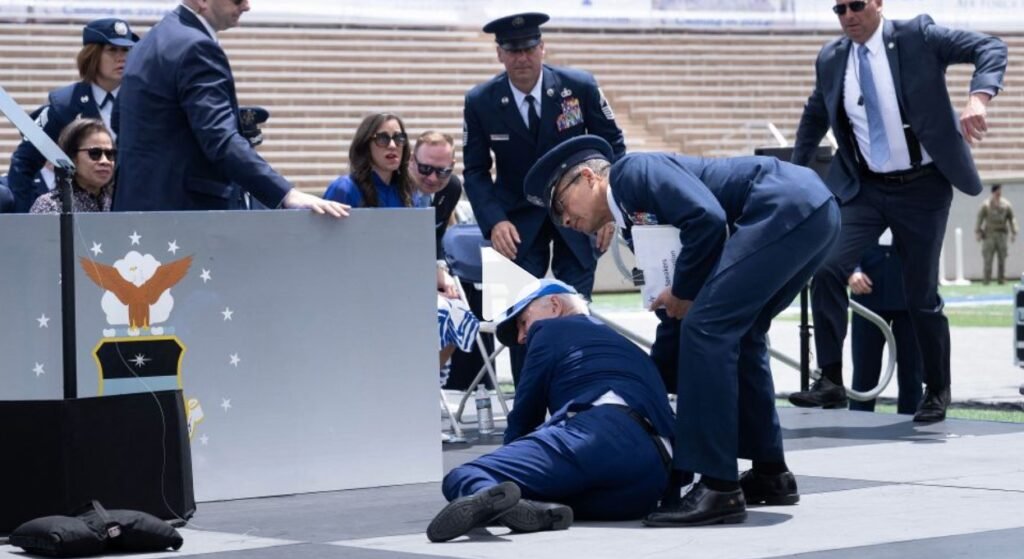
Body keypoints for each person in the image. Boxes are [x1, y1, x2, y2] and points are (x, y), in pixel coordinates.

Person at [523, 135, 840, 526]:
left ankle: (718, 488)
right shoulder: (633, 222)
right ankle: (770, 472)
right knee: (741, 332)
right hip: (809, 209)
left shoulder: (632, 174)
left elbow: (705, 220)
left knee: (708, 330)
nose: (564, 221)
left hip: (783, 205)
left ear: (588, 178)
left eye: (559, 205)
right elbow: (674, 306)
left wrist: (685, 294)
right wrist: (654, 379)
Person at [787, 0, 1007, 423]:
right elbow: (816, 112)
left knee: (919, 295)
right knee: (829, 268)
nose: (848, 16)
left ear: (878, 4)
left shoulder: (918, 36)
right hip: (866, 188)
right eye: (839, 9)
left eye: (856, 6)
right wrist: (795, 174)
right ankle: (830, 379)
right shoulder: (832, 58)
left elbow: (991, 47)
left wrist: (979, 98)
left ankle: (937, 389)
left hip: (923, 187)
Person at [428, 279, 674, 542]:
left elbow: (524, 415)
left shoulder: (550, 330)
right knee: (551, 494)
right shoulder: (628, 347)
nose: (522, 337)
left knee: (464, 476)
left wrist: (508, 461)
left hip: (600, 432)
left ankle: (497, 500)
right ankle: (531, 510)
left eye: (523, 322)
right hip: (654, 474)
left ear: (555, 305)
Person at [463, 11, 625, 384]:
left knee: (576, 312)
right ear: (500, 54)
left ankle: (579, 394)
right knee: (519, 317)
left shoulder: (578, 87)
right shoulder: (481, 100)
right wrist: (494, 220)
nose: (522, 57)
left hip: (581, 214)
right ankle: (529, 404)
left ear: (542, 47)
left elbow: (613, 147)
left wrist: (609, 209)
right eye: (512, 49)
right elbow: (474, 170)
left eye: (529, 47)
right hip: (514, 222)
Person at [112, 1, 345, 217]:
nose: (246, 6)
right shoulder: (196, 47)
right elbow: (220, 139)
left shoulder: (147, 43)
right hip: (186, 216)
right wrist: (285, 193)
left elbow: (118, 120)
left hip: (136, 208)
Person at [7, 18, 137, 213]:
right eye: (112, 50)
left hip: (130, 216)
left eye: (126, 50)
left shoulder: (141, 101)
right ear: (92, 55)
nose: (121, 58)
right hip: (76, 215)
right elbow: (24, 162)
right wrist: (23, 219)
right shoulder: (66, 104)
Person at [848, 232, 923, 414]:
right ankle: (858, 425)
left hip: (909, 294)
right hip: (867, 296)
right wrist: (852, 270)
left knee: (912, 374)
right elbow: (848, 236)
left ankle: (910, 425)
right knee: (864, 373)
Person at [408, 130, 463, 298]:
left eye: (442, 171)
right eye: (425, 168)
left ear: (452, 166)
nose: (432, 178)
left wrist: (439, 267)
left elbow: (437, 233)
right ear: (411, 160)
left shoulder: (452, 188)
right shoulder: (393, 188)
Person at [324, 113, 413, 208]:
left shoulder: (407, 193)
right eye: (382, 138)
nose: (392, 145)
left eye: (399, 138)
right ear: (366, 145)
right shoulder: (344, 189)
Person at [29, 118, 115, 214]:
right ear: (72, 157)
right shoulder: (51, 206)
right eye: (94, 153)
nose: (105, 161)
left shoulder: (117, 203)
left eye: (110, 154)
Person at [976, 184, 1018, 285]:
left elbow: (1012, 218)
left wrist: (1014, 232)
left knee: (1002, 258)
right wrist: (978, 232)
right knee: (988, 259)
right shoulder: (986, 205)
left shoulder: (1006, 204)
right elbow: (980, 219)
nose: (999, 193)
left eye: (1000, 191)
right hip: (989, 235)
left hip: (1002, 235)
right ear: (993, 192)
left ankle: (1001, 279)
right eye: (997, 191)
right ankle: (986, 280)